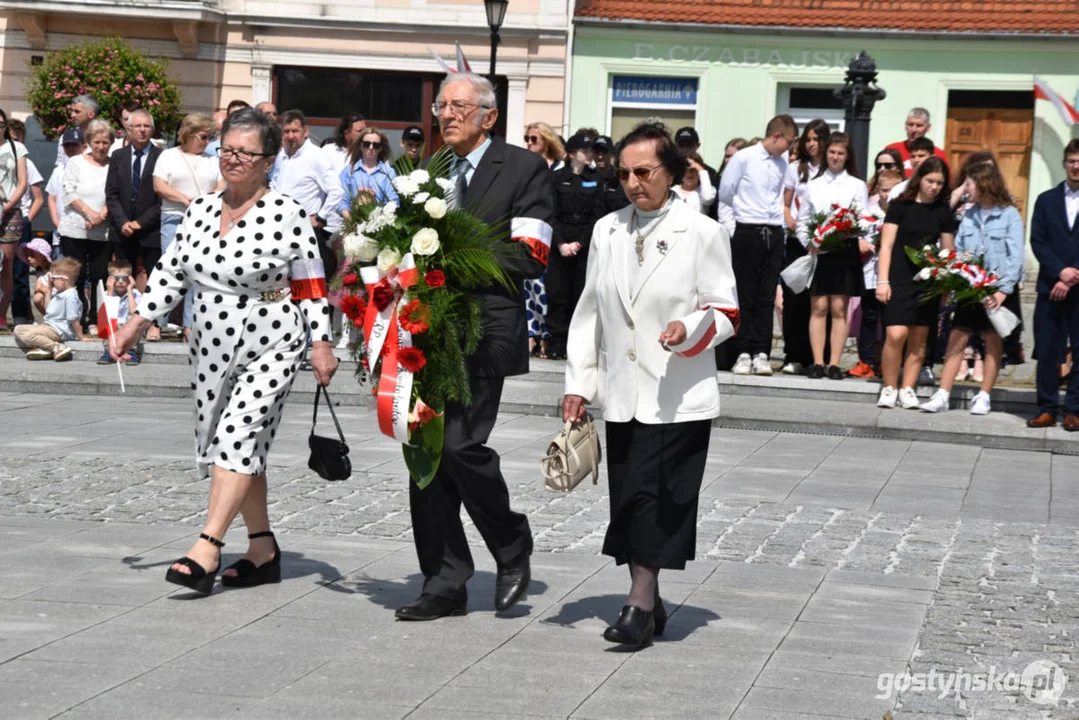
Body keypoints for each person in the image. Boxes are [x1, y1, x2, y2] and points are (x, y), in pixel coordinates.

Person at [111, 107, 338, 595]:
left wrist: (322, 343)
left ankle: (206, 546)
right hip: (209, 341)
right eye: (226, 150)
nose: (232, 160)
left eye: (244, 153)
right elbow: (172, 272)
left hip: (271, 338)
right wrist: (135, 324)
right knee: (232, 441)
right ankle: (262, 547)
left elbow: (312, 286)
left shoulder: (288, 213)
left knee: (236, 435)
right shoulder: (198, 210)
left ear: (269, 161)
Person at [563, 122, 738, 649]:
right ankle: (649, 596)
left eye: (644, 172)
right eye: (624, 173)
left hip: (677, 391)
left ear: (673, 172)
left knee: (661, 498)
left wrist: (692, 327)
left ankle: (639, 602)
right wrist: (579, 382)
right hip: (622, 390)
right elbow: (588, 312)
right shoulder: (607, 229)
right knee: (630, 497)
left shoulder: (703, 232)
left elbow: (726, 310)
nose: (633, 183)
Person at [395, 72, 553, 622]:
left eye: (461, 106)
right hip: (425, 330)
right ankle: (444, 581)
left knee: (460, 446)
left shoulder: (525, 167)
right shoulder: (425, 172)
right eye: (443, 104)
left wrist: (454, 256)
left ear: (489, 115)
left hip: (484, 328)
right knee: (426, 452)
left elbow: (531, 255)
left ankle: (511, 543)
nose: (448, 114)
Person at [919, 162, 1024, 416]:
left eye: (969, 184)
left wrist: (1003, 290)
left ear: (984, 183)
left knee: (992, 340)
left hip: (998, 289)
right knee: (957, 337)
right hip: (971, 286)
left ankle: (984, 395)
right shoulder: (970, 214)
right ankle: (943, 393)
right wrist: (955, 277)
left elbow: (1016, 256)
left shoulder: (1008, 214)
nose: (966, 189)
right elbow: (960, 250)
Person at [718, 114, 798, 376]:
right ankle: (742, 350)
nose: (789, 147)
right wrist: (737, 224)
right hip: (748, 229)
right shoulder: (744, 158)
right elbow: (727, 193)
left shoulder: (781, 163)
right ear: (776, 136)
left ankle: (761, 351)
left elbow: (778, 197)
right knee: (745, 294)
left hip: (773, 230)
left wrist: (780, 229)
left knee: (766, 295)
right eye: (788, 141)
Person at [875, 157, 956, 409]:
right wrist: (883, 280)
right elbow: (886, 246)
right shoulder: (900, 206)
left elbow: (947, 252)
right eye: (930, 180)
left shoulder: (943, 213)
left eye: (939, 183)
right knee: (895, 333)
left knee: (919, 338)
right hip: (899, 277)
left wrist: (944, 285)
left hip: (927, 282)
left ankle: (908, 388)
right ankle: (889, 387)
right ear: (919, 178)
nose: (934, 186)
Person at [796, 132, 868, 379]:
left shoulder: (857, 185)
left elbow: (864, 217)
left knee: (839, 307)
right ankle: (818, 362)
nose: (836, 157)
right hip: (820, 249)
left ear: (847, 157)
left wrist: (852, 227)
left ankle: (835, 363)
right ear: (826, 155)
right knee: (819, 306)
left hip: (844, 250)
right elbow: (803, 219)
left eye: (841, 153)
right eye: (832, 153)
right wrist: (809, 242)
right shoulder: (812, 185)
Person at [151, 112, 224, 340]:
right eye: (203, 137)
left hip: (205, 221)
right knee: (169, 270)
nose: (207, 142)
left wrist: (204, 202)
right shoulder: (168, 156)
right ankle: (156, 322)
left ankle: (189, 325)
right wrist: (184, 199)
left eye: (210, 137)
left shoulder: (212, 159)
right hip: (175, 216)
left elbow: (222, 184)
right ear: (189, 134)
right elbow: (159, 185)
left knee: (198, 272)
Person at [1027, 139, 1079, 431]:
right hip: (1051, 286)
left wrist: (1075, 275)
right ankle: (1046, 408)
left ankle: (1074, 409)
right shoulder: (1046, 199)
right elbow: (1038, 241)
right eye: (1071, 160)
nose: (1076, 166)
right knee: (1048, 349)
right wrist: (1060, 272)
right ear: (1064, 163)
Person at [779, 119, 830, 375]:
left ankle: (817, 357)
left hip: (824, 243)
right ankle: (793, 354)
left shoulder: (830, 169)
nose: (812, 144)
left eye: (817, 139)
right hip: (798, 241)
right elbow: (786, 204)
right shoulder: (795, 168)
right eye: (808, 139)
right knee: (794, 299)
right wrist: (791, 222)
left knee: (820, 302)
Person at [547, 132, 604, 360]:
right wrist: (561, 243)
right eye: (585, 150)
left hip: (583, 242)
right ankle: (556, 343)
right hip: (560, 241)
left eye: (591, 150)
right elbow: (550, 212)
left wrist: (580, 243)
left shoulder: (596, 178)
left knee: (580, 295)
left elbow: (597, 215)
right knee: (557, 294)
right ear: (572, 154)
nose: (590, 154)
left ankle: (576, 344)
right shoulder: (557, 177)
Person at [272, 109, 344, 290]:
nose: (290, 136)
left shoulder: (316, 156)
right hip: (279, 229)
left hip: (305, 232)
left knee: (307, 289)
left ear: (306, 132)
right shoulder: (281, 156)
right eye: (286, 131)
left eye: (295, 131)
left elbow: (336, 191)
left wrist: (320, 217)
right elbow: (274, 184)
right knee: (282, 287)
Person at [59, 117, 114, 333]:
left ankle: (95, 320)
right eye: (97, 142)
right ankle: (77, 318)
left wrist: (101, 215)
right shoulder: (76, 162)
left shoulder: (113, 165)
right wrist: (89, 213)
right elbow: (68, 191)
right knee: (77, 275)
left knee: (100, 276)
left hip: (102, 229)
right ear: (89, 141)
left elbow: (115, 194)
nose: (101, 146)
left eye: (105, 142)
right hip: (74, 227)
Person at [850, 169, 901, 379]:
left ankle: (888, 362)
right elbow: (855, 233)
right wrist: (859, 241)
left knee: (890, 319)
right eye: (883, 190)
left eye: (891, 190)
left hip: (893, 276)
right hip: (870, 273)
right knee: (869, 318)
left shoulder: (901, 213)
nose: (886, 195)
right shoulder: (869, 212)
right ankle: (867, 361)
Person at [105, 109, 162, 292]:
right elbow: (111, 194)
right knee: (121, 281)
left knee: (153, 280)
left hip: (151, 231)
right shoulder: (118, 156)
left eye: (147, 126)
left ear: (152, 129)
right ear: (128, 129)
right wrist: (123, 222)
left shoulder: (163, 157)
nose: (142, 130)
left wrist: (140, 223)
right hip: (123, 231)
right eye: (138, 126)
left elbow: (163, 198)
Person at [13, 256, 82, 361]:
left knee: (29, 335)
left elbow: (74, 320)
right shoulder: (60, 293)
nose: (51, 281)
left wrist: (81, 337)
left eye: (53, 278)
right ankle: (47, 348)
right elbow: (47, 309)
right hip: (49, 326)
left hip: (58, 331)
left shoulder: (71, 296)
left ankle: (56, 347)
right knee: (18, 329)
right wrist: (49, 289)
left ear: (62, 280)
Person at [0, 110, 30, 330]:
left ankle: (1, 315)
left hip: (10, 211)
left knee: (6, 265)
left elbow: (22, 182)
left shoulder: (16, 148)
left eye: (1, 124)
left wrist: (8, 204)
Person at [338, 127, 397, 216]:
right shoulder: (349, 171)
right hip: (352, 223)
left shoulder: (388, 173)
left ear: (380, 148)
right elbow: (342, 200)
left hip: (380, 223)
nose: (371, 147)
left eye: (376, 145)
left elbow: (393, 201)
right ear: (361, 145)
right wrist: (350, 221)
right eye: (366, 144)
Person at [96, 260, 142, 366]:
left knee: (134, 319)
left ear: (130, 279)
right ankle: (108, 351)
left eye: (124, 278)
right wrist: (110, 291)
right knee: (104, 320)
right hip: (114, 325)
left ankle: (131, 350)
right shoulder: (106, 293)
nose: (120, 282)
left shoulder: (135, 293)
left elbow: (134, 312)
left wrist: (130, 290)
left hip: (128, 326)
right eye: (116, 279)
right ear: (110, 280)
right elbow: (107, 314)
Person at [674, 153, 734, 234]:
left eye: (693, 170)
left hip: (698, 233)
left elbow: (708, 198)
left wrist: (701, 170)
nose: (689, 174)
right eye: (685, 170)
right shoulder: (673, 191)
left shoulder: (705, 191)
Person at [883, 107, 949, 177]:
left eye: (919, 126)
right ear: (905, 126)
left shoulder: (938, 154)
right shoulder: (892, 150)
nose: (914, 130)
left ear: (928, 128)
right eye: (910, 125)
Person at [674, 126, 720, 213]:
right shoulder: (669, 169)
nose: (685, 149)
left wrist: (701, 171)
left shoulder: (709, 172)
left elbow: (709, 199)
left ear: (697, 145)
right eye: (681, 145)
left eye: (689, 145)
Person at [55, 94, 97, 169]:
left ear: (91, 114)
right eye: (72, 111)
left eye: (77, 112)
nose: (72, 115)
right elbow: (60, 166)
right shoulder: (66, 137)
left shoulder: (104, 138)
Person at [593, 135, 629, 214]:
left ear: (611, 154)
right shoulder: (586, 178)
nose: (600, 157)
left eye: (604, 152)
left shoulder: (621, 178)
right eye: (596, 152)